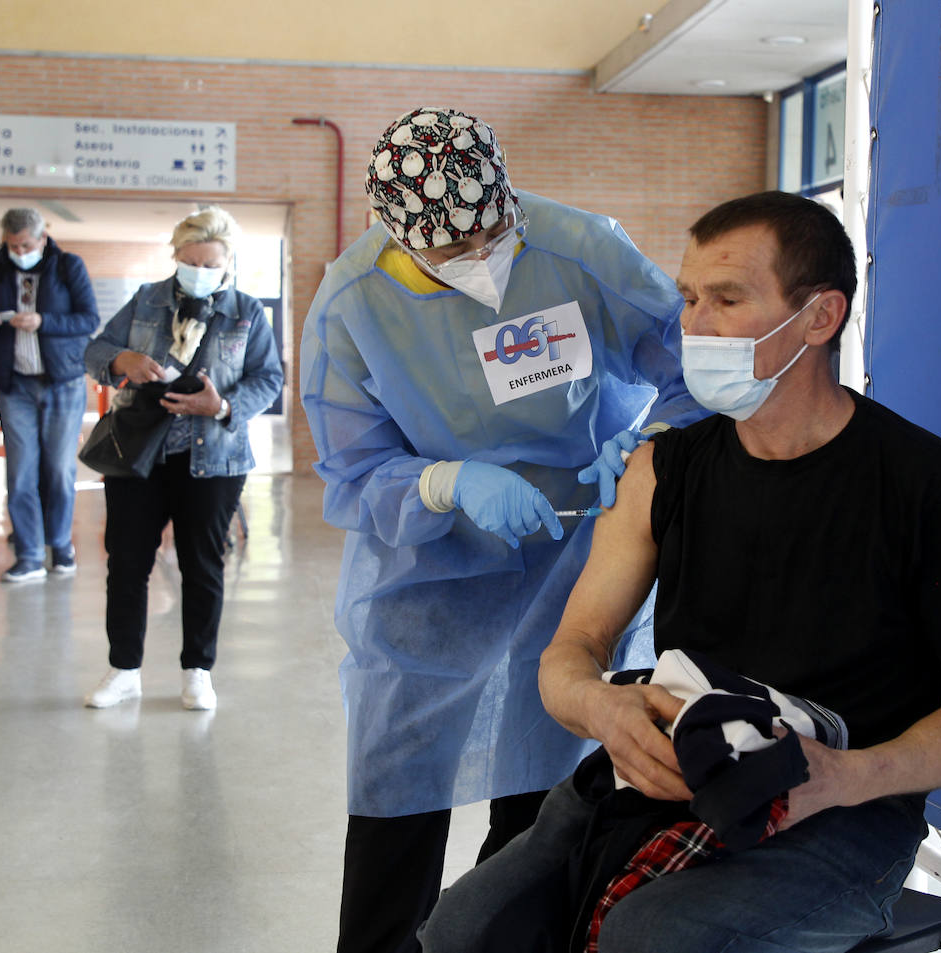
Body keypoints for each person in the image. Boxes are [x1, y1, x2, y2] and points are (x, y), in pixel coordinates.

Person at [419, 190, 941, 953]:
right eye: (688, 298)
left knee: (650, 939)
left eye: (728, 298)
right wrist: (604, 711)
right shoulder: (663, 470)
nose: (693, 327)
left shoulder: (928, 486)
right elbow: (569, 651)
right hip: (666, 777)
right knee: (460, 933)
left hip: (842, 810)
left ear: (818, 318)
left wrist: (848, 774)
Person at [300, 106, 706, 953]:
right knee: (396, 797)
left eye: (493, 231)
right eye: (453, 251)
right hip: (427, 577)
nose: (481, 258)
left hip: (578, 556)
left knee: (543, 809)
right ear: (400, 234)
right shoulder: (352, 302)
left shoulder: (578, 249)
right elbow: (352, 467)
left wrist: (647, 447)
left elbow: (690, 364)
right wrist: (447, 481)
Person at [81, 207, 282, 711]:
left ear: (227, 262)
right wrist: (120, 360)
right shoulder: (146, 299)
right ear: (175, 257)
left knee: (202, 565)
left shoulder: (246, 312)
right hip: (139, 455)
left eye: (208, 262)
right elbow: (96, 350)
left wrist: (223, 406)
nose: (197, 270)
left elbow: (269, 378)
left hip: (213, 458)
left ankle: (198, 671)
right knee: (127, 564)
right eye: (188, 261)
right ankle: (123, 670)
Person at [0, 207, 99, 582]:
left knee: (58, 468)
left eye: (26, 244)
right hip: (15, 383)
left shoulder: (67, 266)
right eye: (12, 244)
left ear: (43, 238)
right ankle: (27, 554)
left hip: (63, 381)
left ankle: (60, 545)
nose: (19, 250)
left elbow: (89, 319)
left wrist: (44, 321)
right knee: (21, 470)